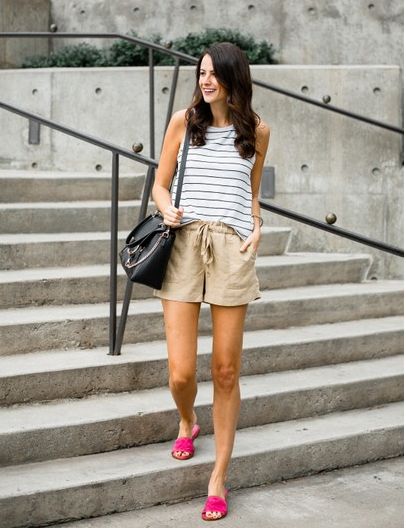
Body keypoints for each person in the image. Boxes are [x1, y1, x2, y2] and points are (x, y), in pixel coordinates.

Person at [151, 41, 270, 521]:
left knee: (225, 370)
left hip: (231, 249)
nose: (205, 81)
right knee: (181, 372)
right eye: (201, 73)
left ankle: (219, 476)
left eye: (214, 74)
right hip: (184, 245)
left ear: (233, 77)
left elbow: (253, 192)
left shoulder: (257, 132)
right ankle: (187, 419)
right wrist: (166, 207)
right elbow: (160, 182)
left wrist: (257, 225)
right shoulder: (184, 121)